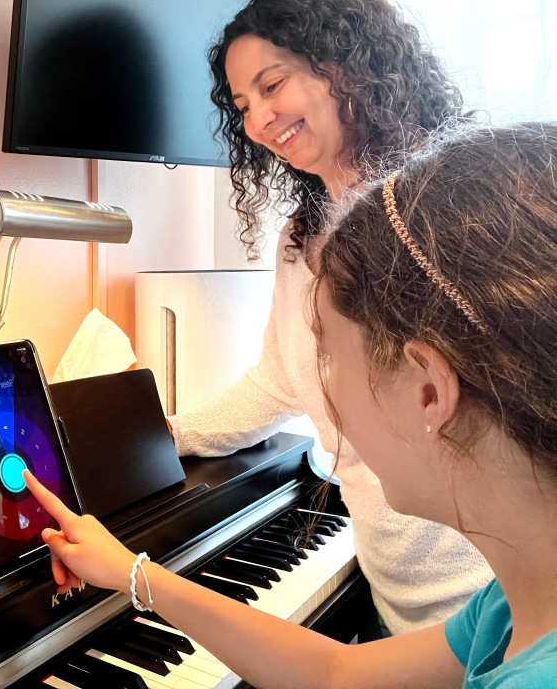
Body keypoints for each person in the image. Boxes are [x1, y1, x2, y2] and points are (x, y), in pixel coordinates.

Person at [28, 121, 557, 688]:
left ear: (429, 392)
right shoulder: (511, 603)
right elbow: (336, 671)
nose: (322, 397)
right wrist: (135, 574)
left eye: (327, 355)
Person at [170, 0, 492, 636]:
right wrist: (167, 436)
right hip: (390, 588)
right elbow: (277, 381)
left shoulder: (444, 207)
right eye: (240, 105)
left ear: (341, 66)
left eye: (272, 85)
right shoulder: (301, 237)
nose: (257, 118)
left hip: (490, 591)